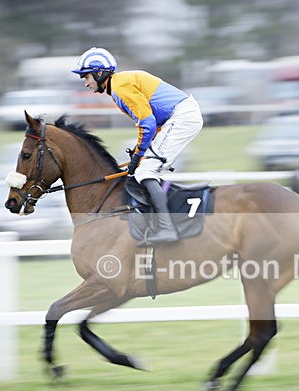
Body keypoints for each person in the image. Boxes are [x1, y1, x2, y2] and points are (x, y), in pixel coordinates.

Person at [72, 47, 204, 245]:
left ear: (100, 73)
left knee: (145, 172)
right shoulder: (119, 85)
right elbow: (152, 124)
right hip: (176, 118)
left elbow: (147, 123)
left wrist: (138, 155)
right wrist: (139, 154)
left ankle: (167, 228)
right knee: (144, 169)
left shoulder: (120, 87)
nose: (86, 83)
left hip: (182, 117)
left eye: (86, 76)